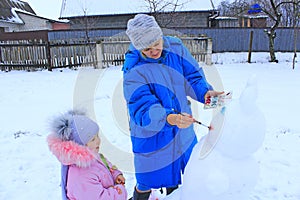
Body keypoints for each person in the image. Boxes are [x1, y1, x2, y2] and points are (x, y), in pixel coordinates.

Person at [122, 14, 223, 200]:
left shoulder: (175, 48)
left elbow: (192, 76)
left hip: (182, 131)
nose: (154, 50)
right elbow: (142, 107)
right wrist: (168, 118)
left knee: (178, 177)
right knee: (147, 180)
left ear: (160, 34)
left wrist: (205, 93)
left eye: (156, 43)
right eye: (147, 48)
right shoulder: (133, 70)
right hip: (152, 135)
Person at [47, 110, 127, 200]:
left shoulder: (93, 156)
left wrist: (115, 175)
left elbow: (105, 164)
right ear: (80, 146)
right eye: (93, 139)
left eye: (97, 136)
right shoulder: (81, 177)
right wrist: (120, 191)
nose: (98, 141)